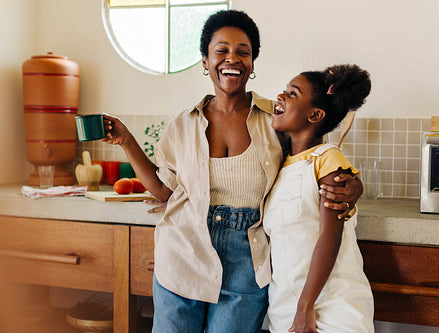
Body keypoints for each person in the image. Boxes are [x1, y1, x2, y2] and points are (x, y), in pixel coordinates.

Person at [102, 10, 363, 333]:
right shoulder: (183, 124)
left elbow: (316, 155)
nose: (232, 59)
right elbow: (163, 189)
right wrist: (126, 139)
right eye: (221, 50)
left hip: (247, 263)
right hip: (184, 251)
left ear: (252, 63)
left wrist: (354, 186)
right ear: (205, 60)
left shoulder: (275, 119)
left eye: (243, 52)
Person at [263, 64, 374, 333]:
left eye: (292, 93)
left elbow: (329, 236)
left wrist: (305, 307)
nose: (281, 96)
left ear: (314, 114)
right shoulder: (280, 164)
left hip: (331, 310)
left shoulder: (328, 159)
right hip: (286, 312)